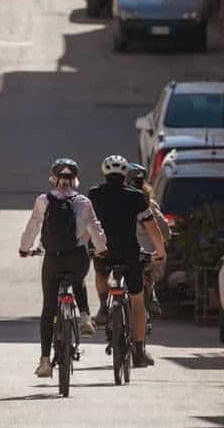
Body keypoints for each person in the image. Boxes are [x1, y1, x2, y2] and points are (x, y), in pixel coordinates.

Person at [20, 158, 107, 378]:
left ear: (54, 179)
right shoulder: (83, 202)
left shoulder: (43, 200)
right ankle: (85, 316)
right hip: (77, 257)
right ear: (75, 179)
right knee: (77, 279)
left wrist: (24, 248)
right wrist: (102, 248)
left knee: (48, 310)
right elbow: (95, 228)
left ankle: (45, 361)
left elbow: (33, 225)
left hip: (53, 259)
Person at [89, 155, 166, 368]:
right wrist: (160, 252)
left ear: (105, 174)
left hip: (104, 252)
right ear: (125, 175)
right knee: (138, 303)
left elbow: (87, 224)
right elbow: (152, 227)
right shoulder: (136, 197)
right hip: (130, 254)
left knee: (101, 271)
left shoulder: (94, 194)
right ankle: (139, 352)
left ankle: (105, 306)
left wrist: (87, 247)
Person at [127, 163, 171, 330]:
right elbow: (163, 229)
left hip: (123, 253)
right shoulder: (150, 205)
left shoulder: (120, 201)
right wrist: (162, 247)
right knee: (151, 266)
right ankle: (151, 292)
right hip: (148, 255)